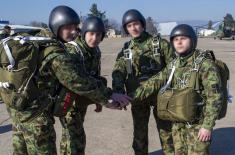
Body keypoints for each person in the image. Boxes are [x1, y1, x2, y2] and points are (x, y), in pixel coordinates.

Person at [0, 5, 131, 155]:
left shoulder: (40, 39)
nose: (74, 32)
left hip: (18, 109)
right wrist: (108, 95)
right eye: (69, 27)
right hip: (35, 116)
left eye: (75, 28)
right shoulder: (55, 53)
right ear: (58, 25)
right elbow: (77, 81)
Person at [134, 24, 223, 155]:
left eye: (183, 38)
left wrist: (207, 126)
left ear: (192, 40)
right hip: (177, 124)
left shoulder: (205, 64)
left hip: (197, 126)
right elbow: (155, 81)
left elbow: (215, 97)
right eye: (175, 39)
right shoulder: (174, 64)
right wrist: (132, 97)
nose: (179, 42)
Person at [112, 9, 174, 155]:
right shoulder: (127, 49)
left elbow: (174, 67)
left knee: (167, 133)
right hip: (138, 97)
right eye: (129, 26)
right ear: (126, 29)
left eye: (136, 24)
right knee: (139, 135)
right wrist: (118, 92)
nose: (133, 28)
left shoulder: (160, 44)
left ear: (142, 24)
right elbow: (118, 72)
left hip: (161, 97)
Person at [59, 16, 108, 155]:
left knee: (72, 139)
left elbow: (95, 77)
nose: (95, 38)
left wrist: (97, 100)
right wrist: (104, 98)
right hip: (69, 103)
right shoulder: (73, 51)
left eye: (99, 34)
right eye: (91, 34)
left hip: (81, 101)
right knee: (74, 140)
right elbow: (74, 82)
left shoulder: (95, 51)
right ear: (83, 33)